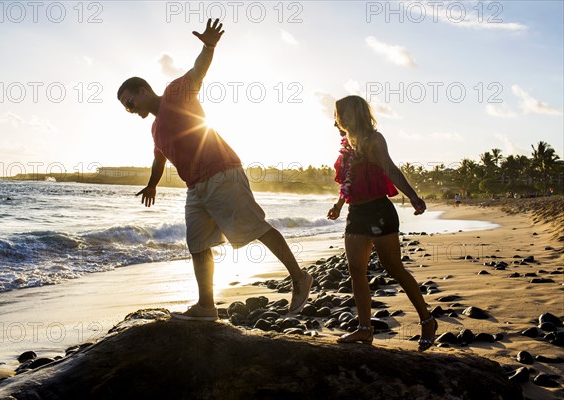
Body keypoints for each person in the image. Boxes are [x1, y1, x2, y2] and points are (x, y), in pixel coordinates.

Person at [117, 19, 312, 321]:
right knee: (197, 244)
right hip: (195, 189)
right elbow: (159, 159)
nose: (130, 111)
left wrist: (208, 46)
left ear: (142, 90)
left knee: (255, 228)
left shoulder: (175, 93)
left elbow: (198, 71)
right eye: (126, 109)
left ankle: (299, 277)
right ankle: (206, 307)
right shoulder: (155, 128)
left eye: (129, 103)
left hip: (222, 173)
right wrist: (152, 184)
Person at [326, 95, 437, 351]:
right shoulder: (348, 145)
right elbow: (349, 182)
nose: (335, 122)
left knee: (393, 267)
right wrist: (339, 205)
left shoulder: (374, 140)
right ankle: (365, 330)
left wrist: (413, 197)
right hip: (356, 213)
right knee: (355, 270)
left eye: (337, 116)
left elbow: (391, 169)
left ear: (350, 115)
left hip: (379, 211)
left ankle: (427, 320)